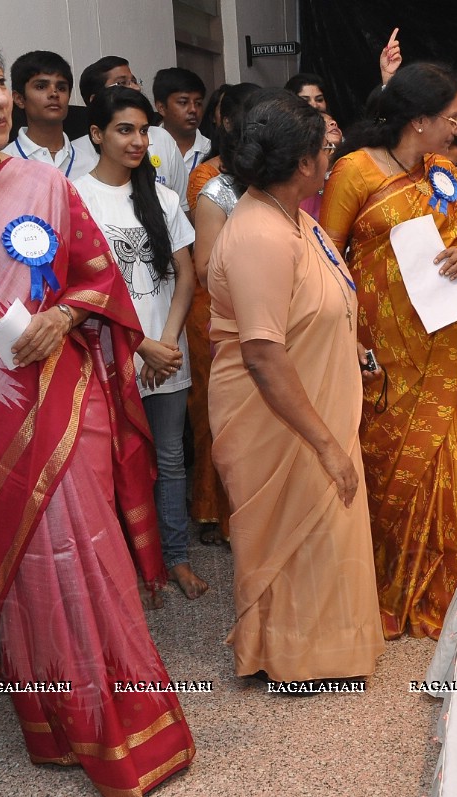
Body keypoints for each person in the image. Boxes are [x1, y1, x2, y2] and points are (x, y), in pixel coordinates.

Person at [0, 25, 194, 792]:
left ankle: (126, 722)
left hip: (64, 401)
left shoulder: (45, 183)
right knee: (25, 572)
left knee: (86, 552)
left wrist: (63, 315)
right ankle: (58, 719)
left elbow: (96, 280)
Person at [321, 63, 457, 640]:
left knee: (441, 459)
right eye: (451, 117)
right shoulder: (353, 173)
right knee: (386, 464)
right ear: (417, 121)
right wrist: (351, 341)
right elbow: (328, 262)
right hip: (380, 351)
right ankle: (381, 588)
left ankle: (438, 579)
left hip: (442, 345)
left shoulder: (445, 174)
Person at [206, 90, 384, 682]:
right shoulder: (261, 232)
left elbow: (315, 303)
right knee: (303, 531)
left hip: (314, 403)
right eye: (325, 147)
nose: (332, 155)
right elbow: (261, 352)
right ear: (303, 163)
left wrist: (351, 347)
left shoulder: (295, 217)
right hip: (278, 417)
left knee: (326, 532)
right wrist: (327, 444)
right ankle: (291, 657)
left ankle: (326, 651)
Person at [74, 86, 206, 599]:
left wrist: (165, 342)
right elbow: (81, 286)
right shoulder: (77, 198)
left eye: (143, 130)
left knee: (170, 459)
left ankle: (175, 557)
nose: (137, 140)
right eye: (124, 130)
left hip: (167, 354)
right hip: (110, 356)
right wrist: (138, 346)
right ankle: (124, 563)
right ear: (96, 134)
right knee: (113, 460)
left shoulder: (163, 197)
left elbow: (185, 276)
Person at [185, 82, 261, 546]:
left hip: (265, 310)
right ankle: (215, 509)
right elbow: (206, 264)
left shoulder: (272, 177)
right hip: (215, 312)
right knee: (217, 413)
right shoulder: (209, 183)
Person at [72, 56, 188, 203]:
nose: (136, 88)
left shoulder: (162, 138)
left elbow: (183, 207)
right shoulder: (74, 156)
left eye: (134, 81)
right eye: (121, 83)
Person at [1, 50, 80, 177]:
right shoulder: (4, 164)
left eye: (61, 88)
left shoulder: (92, 163)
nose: (54, 93)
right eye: (41, 87)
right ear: (19, 99)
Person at [153, 66, 210, 173]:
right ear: (161, 107)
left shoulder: (210, 151)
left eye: (198, 103)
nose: (193, 109)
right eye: (183, 102)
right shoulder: (145, 147)